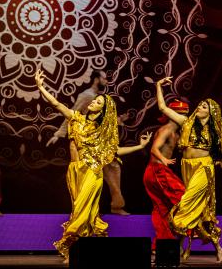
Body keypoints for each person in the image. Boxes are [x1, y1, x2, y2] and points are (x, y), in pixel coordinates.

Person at [35, 69, 152, 263]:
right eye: (95, 100)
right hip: (74, 170)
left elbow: (115, 153)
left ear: (103, 111)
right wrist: (41, 87)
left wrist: (140, 146)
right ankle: (84, 247)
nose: (93, 102)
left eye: (98, 103)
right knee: (81, 210)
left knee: (81, 208)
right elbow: (56, 104)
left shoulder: (102, 133)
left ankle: (70, 245)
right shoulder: (76, 118)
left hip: (92, 172)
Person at [155, 77, 222, 263]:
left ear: (211, 113)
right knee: (199, 211)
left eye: (204, 106)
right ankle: (217, 246)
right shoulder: (185, 122)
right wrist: (158, 86)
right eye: (200, 105)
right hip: (187, 167)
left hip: (205, 168)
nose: (200, 107)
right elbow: (163, 108)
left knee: (185, 205)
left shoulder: (213, 133)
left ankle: (177, 244)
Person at [47, 70, 130, 215]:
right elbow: (71, 113)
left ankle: (116, 205)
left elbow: (103, 120)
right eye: (104, 78)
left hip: (99, 140)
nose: (107, 81)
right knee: (86, 176)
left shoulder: (100, 98)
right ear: (96, 79)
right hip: (86, 140)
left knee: (114, 170)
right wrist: (60, 133)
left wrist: (120, 121)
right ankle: (87, 210)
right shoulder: (86, 96)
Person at [143, 99, 189, 252]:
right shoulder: (166, 129)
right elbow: (154, 149)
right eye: (182, 114)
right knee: (184, 198)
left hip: (158, 171)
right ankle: (180, 236)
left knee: (162, 209)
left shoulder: (176, 133)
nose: (184, 118)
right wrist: (164, 160)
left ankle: (161, 246)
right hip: (157, 170)